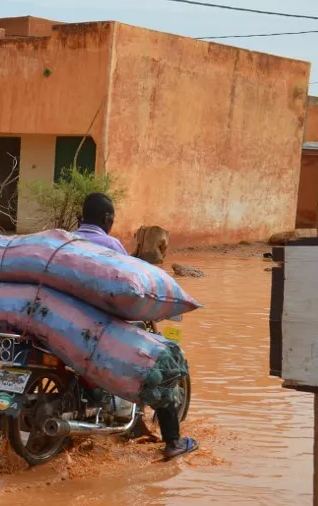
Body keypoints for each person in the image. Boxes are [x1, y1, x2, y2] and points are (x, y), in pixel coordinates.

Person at [74, 192, 199, 461]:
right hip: (102, 327)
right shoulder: (110, 245)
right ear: (108, 219)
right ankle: (173, 442)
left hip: (69, 326)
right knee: (164, 364)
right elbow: (130, 286)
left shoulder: (66, 241)